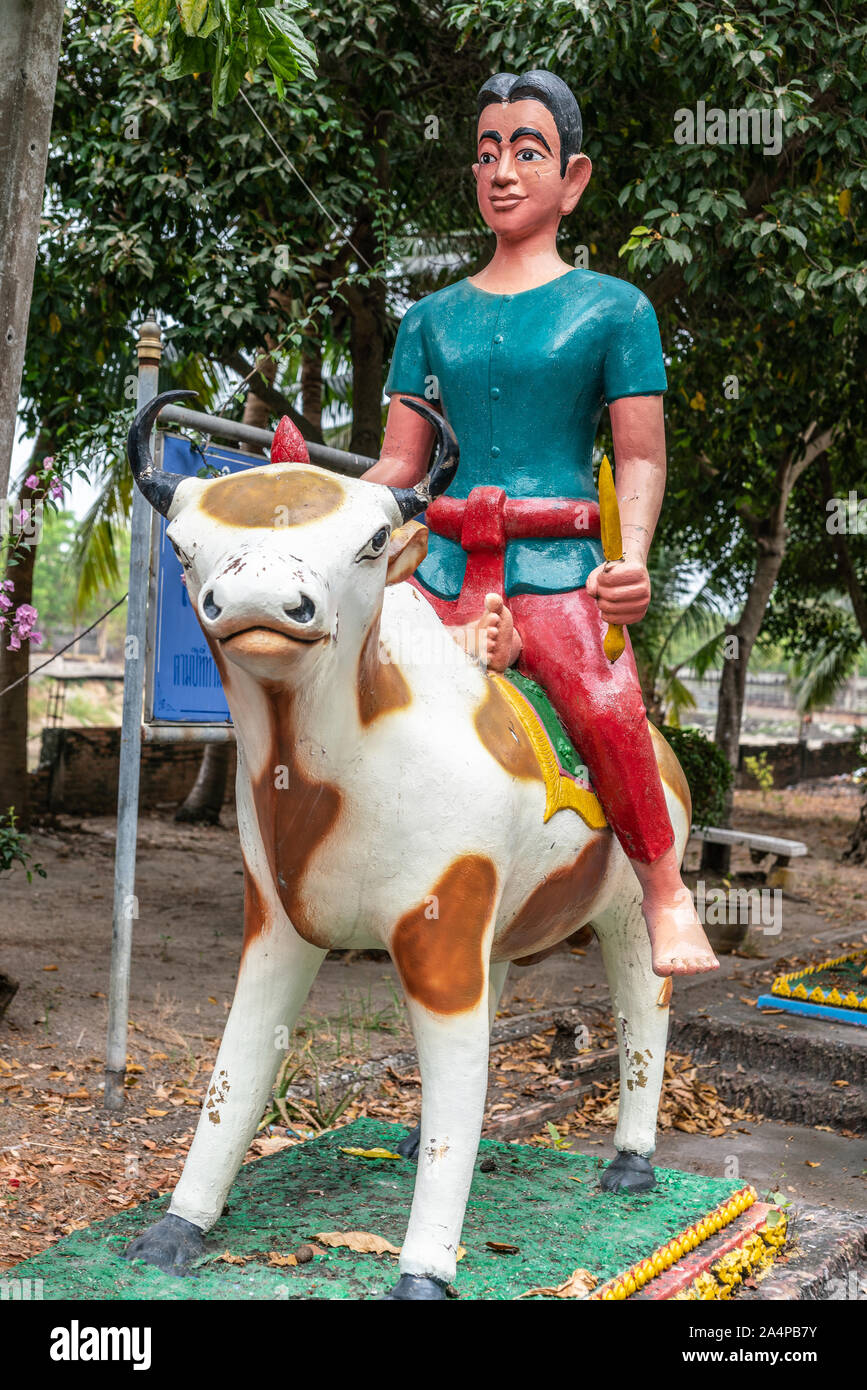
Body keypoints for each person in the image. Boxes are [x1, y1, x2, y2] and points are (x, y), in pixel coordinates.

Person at [364, 69, 718, 979]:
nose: (502, 172)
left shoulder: (615, 310)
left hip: (556, 569)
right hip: (443, 565)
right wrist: (336, 521)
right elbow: (399, 467)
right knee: (348, 682)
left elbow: (638, 456)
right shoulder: (428, 318)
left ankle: (665, 890)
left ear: (575, 178)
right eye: (486, 154)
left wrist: (628, 559)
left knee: (605, 704)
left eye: (527, 152)